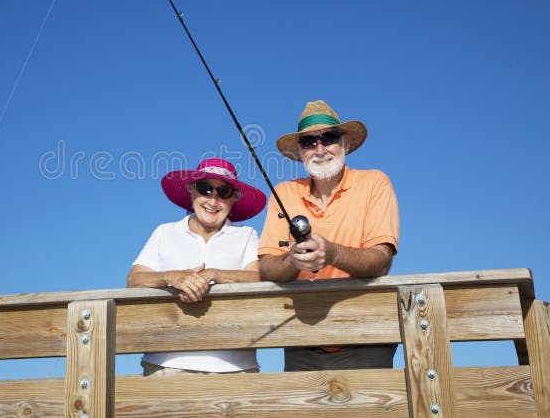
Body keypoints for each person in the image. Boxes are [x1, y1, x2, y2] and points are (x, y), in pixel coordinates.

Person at [258, 99, 400, 371]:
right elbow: (267, 266)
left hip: (367, 335)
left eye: (329, 137)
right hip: (302, 337)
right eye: (309, 142)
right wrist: (293, 261)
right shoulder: (283, 193)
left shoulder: (375, 183)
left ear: (344, 142)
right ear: (300, 152)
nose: (320, 148)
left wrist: (331, 253)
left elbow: (381, 261)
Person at [127, 158, 267, 376]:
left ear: (233, 200)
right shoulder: (164, 232)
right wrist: (172, 277)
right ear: (191, 192)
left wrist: (214, 274)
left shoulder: (247, 235)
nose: (213, 200)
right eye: (205, 189)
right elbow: (134, 279)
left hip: (235, 367)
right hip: (166, 362)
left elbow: (258, 276)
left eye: (224, 192)